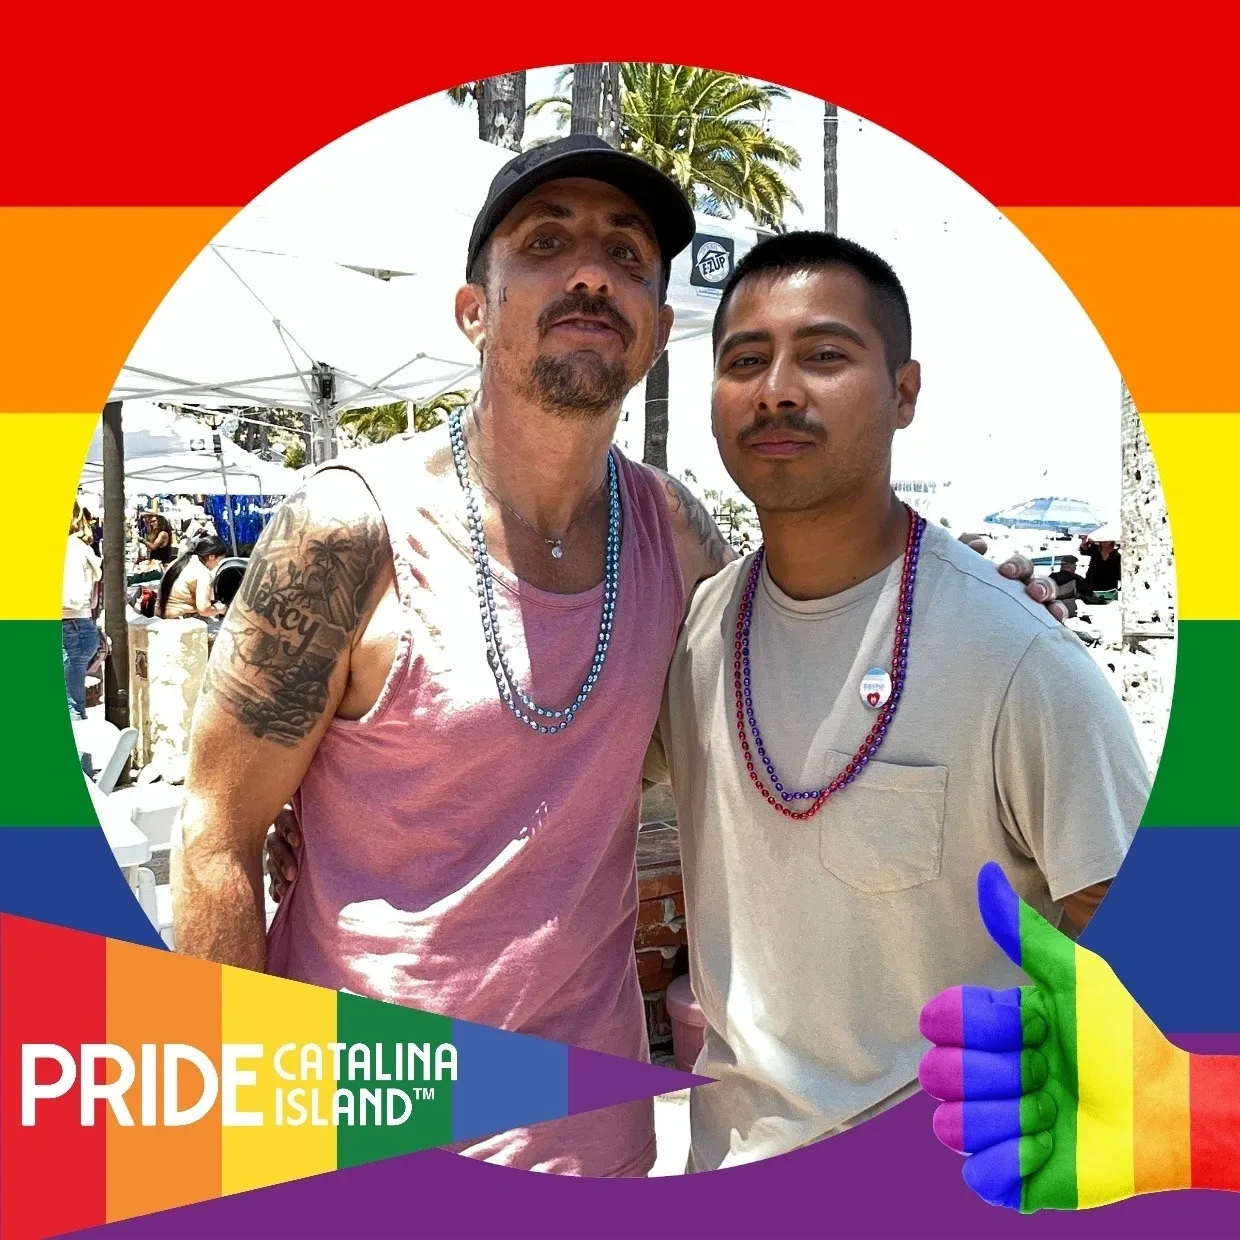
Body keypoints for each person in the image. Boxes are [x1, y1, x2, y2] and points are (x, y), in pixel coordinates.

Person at [189, 142, 1061, 1181]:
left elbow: (795, 668)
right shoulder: (350, 529)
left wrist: (995, 615)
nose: (592, 272)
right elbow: (217, 834)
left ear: (653, 326)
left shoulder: (677, 537)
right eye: (547, 242)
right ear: (475, 308)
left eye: (626, 254)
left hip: (590, 1139)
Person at [639, 233, 1149, 1172]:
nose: (778, 389)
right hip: (726, 1160)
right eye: (745, 361)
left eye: (825, 356)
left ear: (904, 392)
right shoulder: (699, 630)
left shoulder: (1016, 657)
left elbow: (1140, 938)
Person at [63, 502, 102, 720]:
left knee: (70, 705)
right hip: (79, 625)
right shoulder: (79, 547)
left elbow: (72, 597)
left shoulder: (70, 548)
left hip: (70, 627)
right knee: (72, 702)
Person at [157, 536, 230, 620]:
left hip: (161, 615)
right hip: (178, 620)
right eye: (220, 559)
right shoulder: (203, 573)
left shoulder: (177, 562)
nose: (218, 564)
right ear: (211, 557)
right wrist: (222, 609)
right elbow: (204, 609)